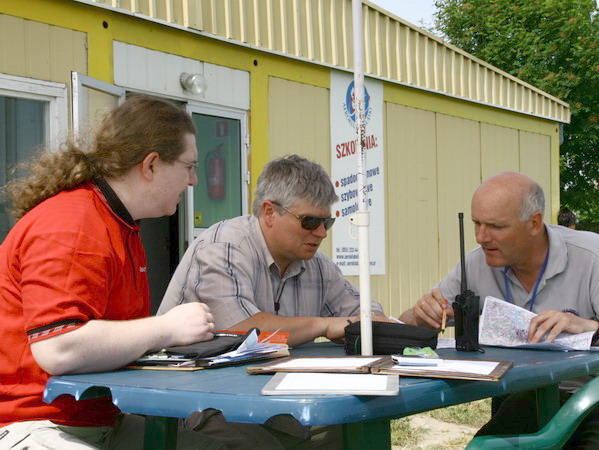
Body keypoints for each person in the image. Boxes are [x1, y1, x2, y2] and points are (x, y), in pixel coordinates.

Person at [0, 95, 221, 449]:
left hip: (92, 420)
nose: (194, 180)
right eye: (188, 166)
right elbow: (57, 349)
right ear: (150, 165)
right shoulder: (74, 224)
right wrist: (166, 328)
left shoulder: (116, 222)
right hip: (32, 422)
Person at [398, 171, 599, 445]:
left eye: (496, 226)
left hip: (589, 399)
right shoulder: (476, 263)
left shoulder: (591, 256)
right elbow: (405, 324)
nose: (481, 237)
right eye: (476, 223)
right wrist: (421, 314)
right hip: (519, 397)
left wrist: (590, 327)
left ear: (534, 223)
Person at [159, 154, 389, 346]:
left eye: (326, 222)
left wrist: (374, 323)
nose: (321, 233)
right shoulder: (225, 245)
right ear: (269, 212)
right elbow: (239, 330)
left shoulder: (318, 266)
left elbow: (367, 312)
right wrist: (324, 325)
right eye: (309, 221)